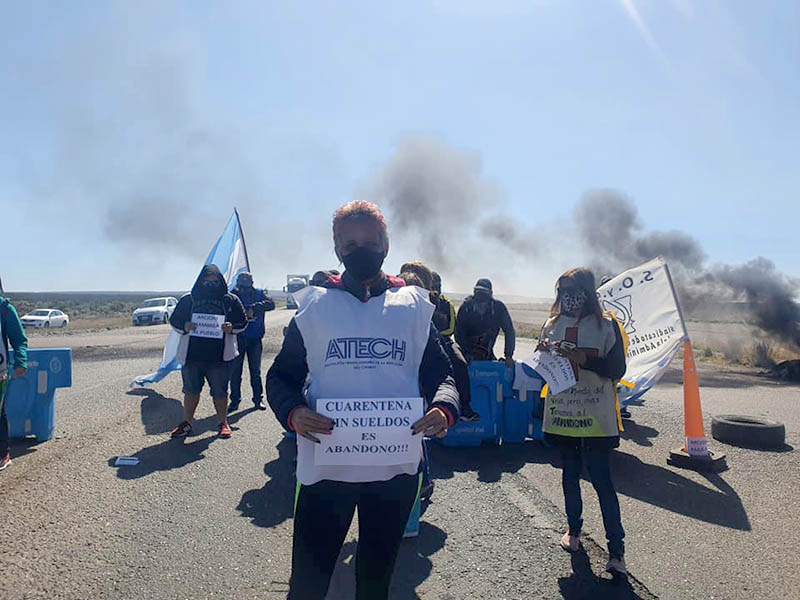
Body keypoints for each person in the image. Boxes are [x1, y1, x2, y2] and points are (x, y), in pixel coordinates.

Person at [266, 201, 459, 600]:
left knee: (374, 581)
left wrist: (444, 407)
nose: (361, 249)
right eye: (350, 243)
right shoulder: (315, 305)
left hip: (393, 473)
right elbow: (281, 377)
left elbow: (442, 374)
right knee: (308, 583)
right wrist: (294, 412)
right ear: (337, 248)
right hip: (327, 468)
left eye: (370, 241)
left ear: (386, 244)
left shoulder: (415, 305)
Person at [539, 267, 628, 577]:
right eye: (562, 289)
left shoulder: (606, 326)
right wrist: (545, 356)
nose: (567, 296)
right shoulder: (551, 324)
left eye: (573, 289)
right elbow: (544, 367)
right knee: (569, 477)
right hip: (564, 415)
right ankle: (573, 532)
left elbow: (618, 368)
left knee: (603, 482)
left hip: (596, 417)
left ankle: (616, 552)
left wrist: (584, 360)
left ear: (587, 292)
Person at [169, 265, 247, 439]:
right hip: (192, 356)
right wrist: (185, 326)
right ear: (200, 280)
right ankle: (187, 423)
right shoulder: (188, 300)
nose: (211, 285)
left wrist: (232, 328)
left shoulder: (230, 300)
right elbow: (174, 320)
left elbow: (243, 322)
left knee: (220, 392)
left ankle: (223, 423)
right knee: (190, 391)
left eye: (214, 281)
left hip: (219, 357)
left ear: (220, 281)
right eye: (207, 281)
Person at [428, 270, 478, 421]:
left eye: (439, 285)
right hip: (426, 342)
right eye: (434, 285)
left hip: (445, 341)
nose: (437, 287)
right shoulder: (421, 301)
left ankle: (465, 407)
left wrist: (438, 335)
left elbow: (451, 327)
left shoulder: (446, 303)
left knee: (461, 363)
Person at [228, 272, 275, 413]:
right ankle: (234, 401)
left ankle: (258, 399)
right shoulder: (232, 295)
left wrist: (254, 308)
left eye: (246, 281)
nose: (243, 284)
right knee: (235, 372)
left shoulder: (260, 294)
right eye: (241, 282)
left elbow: (271, 304)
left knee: (255, 371)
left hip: (255, 338)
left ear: (251, 282)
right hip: (237, 338)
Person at [455, 278, 516, 367]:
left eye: (484, 294)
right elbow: (459, 333)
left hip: (487, 353)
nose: (481, 299)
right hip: (467, 355)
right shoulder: (466, 307)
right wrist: (466, 353)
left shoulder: (498, 308)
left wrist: (508, 355)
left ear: (491, 294)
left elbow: (509, 331)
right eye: (478, 293)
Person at [0, 279, 28, 471]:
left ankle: (3, 454)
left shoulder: (5, 309)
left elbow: (19, 339)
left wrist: (20, 361)